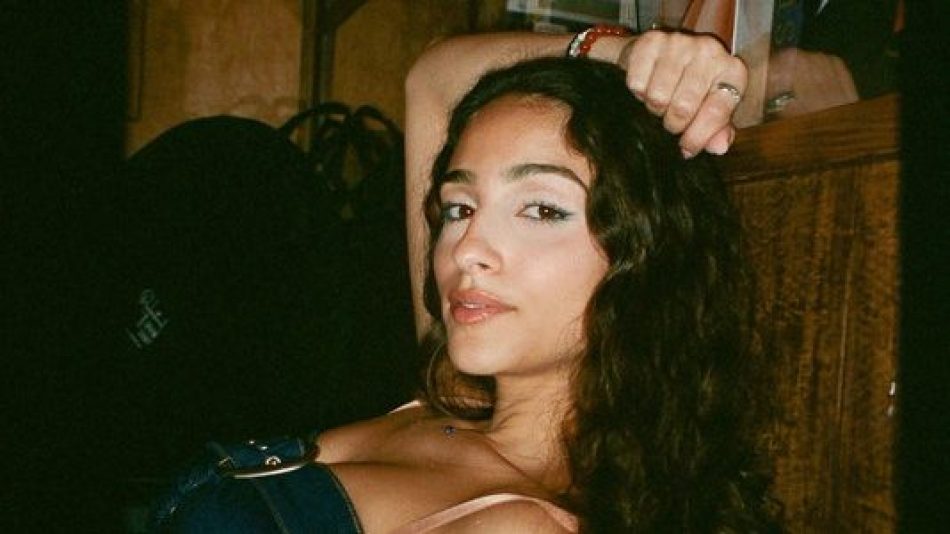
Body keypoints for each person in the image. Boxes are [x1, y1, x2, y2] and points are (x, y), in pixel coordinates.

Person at [153, 28, 778, 533]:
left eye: (542, 210)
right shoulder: (458, 393)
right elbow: (436, 77)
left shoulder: (519, 525)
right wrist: (625, 55)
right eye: (459, 207)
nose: (468, 248)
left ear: (645, 256)